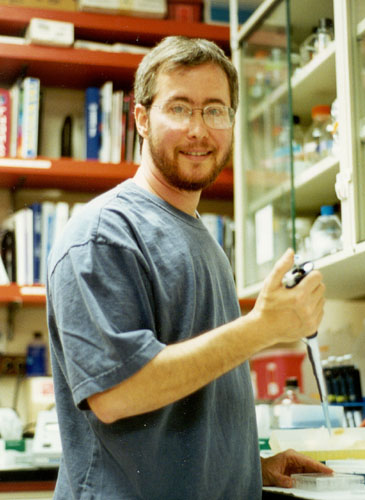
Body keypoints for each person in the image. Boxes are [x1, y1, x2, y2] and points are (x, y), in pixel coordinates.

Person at [47, 36, 331, 499]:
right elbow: (118, 394)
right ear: (140, 117)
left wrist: (251, 467)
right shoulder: (104, 234)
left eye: (215, 111)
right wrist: (263, 327)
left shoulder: (203, 238)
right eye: (179, 108)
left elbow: (190, 406)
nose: (199, 130)